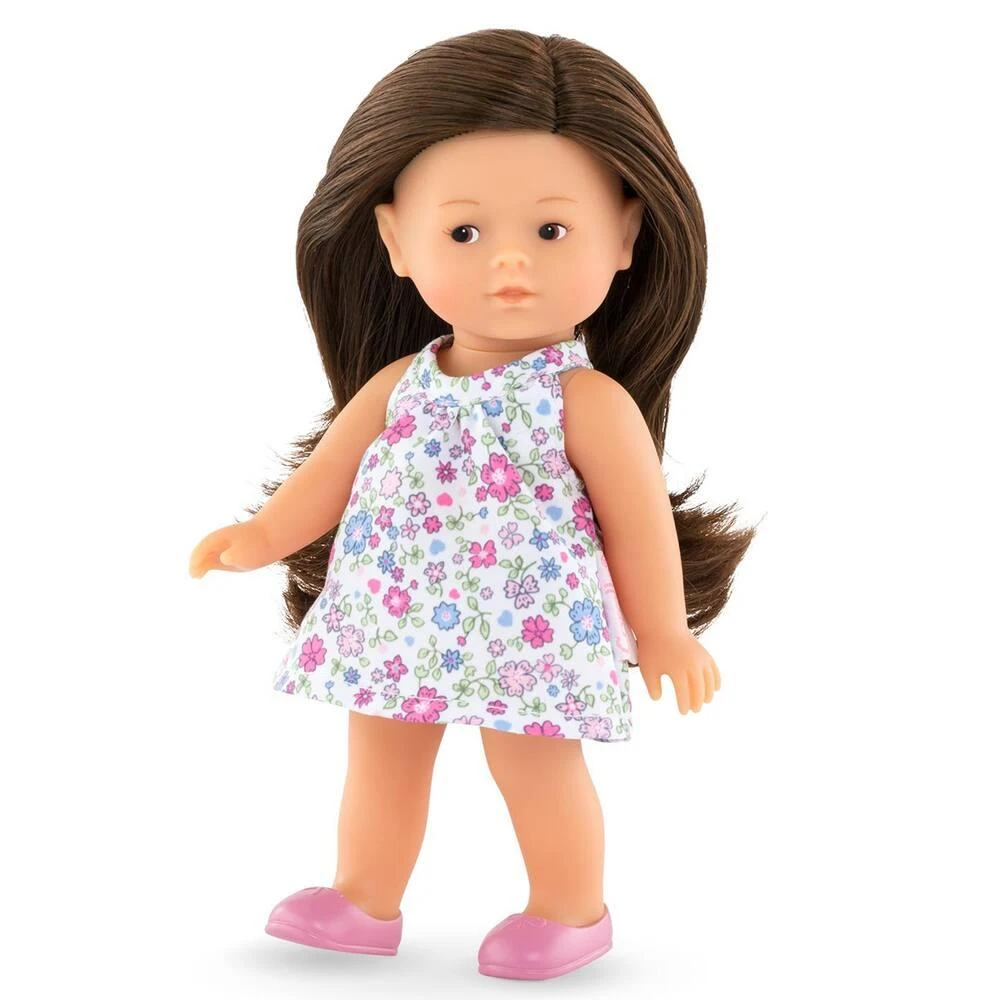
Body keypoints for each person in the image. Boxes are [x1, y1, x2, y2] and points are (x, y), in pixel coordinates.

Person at [189, 27, 754, 981]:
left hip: (526, 626)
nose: (509, 264)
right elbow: (327, 480)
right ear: (394, 241)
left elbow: (637, 523)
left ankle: (570, 910)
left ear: (625, 235)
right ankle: (363, 896)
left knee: (532, 763)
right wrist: (261, 534)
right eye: (465, 232)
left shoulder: (586, 402)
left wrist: (662, 630)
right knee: (381, 755)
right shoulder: (400, 384)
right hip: (396, 613)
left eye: (551, 230)